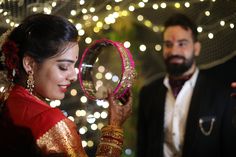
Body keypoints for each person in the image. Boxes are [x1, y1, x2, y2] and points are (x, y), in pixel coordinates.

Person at [0, 13, 132, 157]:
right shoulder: (52, 124)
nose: (74, 76)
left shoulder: (6, 99)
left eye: (73, 65)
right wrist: (114, 128)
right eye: (63, 67)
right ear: (29, 64)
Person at [136, 13, 236, 157]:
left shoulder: (220, 93)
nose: (174, 51)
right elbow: (142, 148)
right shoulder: (148, 93)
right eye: (168, 44)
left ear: (196, 48)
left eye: (182, 44)